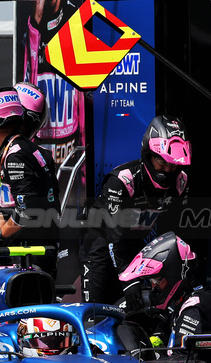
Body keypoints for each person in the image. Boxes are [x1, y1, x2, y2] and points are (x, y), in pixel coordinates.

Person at [81, 116, 190, 302]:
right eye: (161, 161)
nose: (167, 169)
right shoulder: (122, 180)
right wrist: (128, 280)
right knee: (96, 313)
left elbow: (172, 235)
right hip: (100, 248)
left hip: (133, 247)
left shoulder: (180, 182)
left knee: (138, 309)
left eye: (173, 164)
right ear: (148, 154)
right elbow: (113, 237)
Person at [0, 89, 60, 276]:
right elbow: (4, 203)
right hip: (25, 242)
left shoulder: (16, 155)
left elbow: (26, 211)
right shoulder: (16, 148)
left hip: (31, 250)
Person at [118, 232, 211, 363]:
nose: (153, 286)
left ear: (173, 274)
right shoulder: (195, 296)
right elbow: (165, 333)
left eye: (157, 279)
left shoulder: (194, 308)